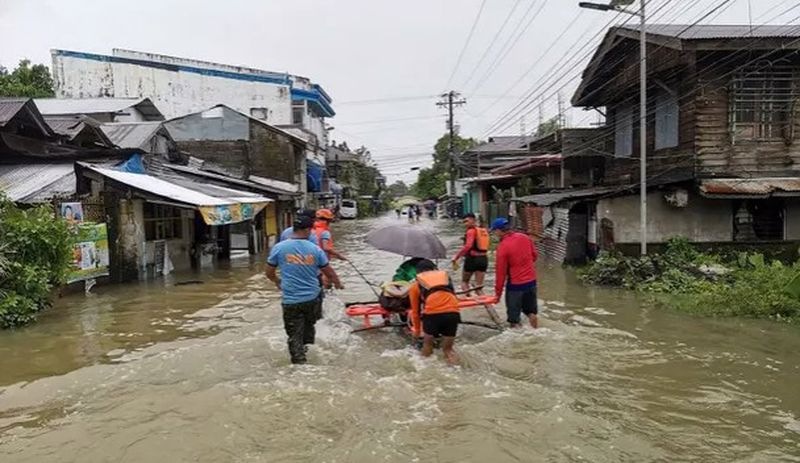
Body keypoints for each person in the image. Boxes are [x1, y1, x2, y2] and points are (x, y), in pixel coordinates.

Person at [266, 216, 343, 364]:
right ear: (307, 230)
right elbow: (329, 272)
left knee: (294, 335)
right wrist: (338, 284)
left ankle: (299, 364)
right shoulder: (315, 249)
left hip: (291, 301)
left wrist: (277, 282)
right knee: (309, 329)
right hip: (312, 299)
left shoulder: (279, 248)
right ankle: (309, 355)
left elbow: (269, 272)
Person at [408, 259, 461, 365]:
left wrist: (417, 332)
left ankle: (423, 369)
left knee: (427, 346)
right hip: (453, 313)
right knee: (448, 350)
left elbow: (415, 312)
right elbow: (452, 296)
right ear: (434, 269)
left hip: (432, 314)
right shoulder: (446, 279)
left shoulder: (416, 285)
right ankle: (456, 368)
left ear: (418, 272)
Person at [491, 217, 539, 329]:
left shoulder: (503, 247)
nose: (494, 233)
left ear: (499, 231)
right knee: (531, 312)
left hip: (515, 286)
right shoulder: (525, 237)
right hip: (531, 282)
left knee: (514, 319)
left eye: (494, 231)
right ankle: (536, 330)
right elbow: (534, 256)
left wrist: (497, 294)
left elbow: (500, 274)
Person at [451, 213, 490, 295]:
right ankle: (482, 301)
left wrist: (457, 257)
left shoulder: (470, 231)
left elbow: (468, 246)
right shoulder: (482, 230)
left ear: (473, 220)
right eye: (464, 222)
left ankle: (468, 298)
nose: (465, 224)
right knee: (479, 286)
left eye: (467, 221)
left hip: (472, 259)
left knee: (464, 282)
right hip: (483, 259)